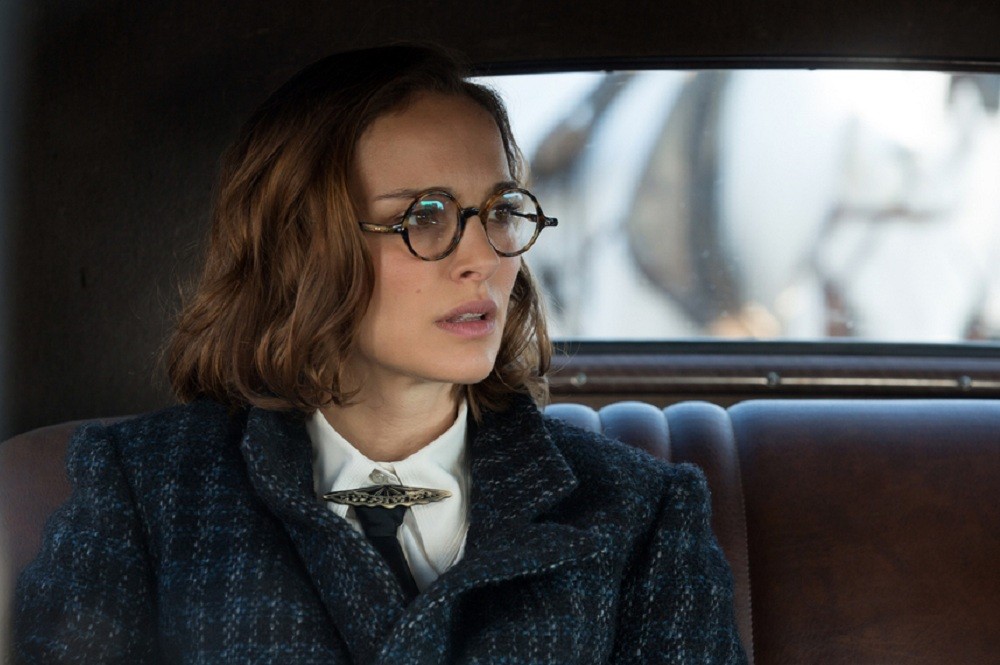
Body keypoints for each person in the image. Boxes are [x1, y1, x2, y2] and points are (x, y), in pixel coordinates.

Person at [14, 44, 746, 663]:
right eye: (423, 216)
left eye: (499, 210)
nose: (483, 257)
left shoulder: (637, 510)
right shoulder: (145, 490)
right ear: (300, 247)